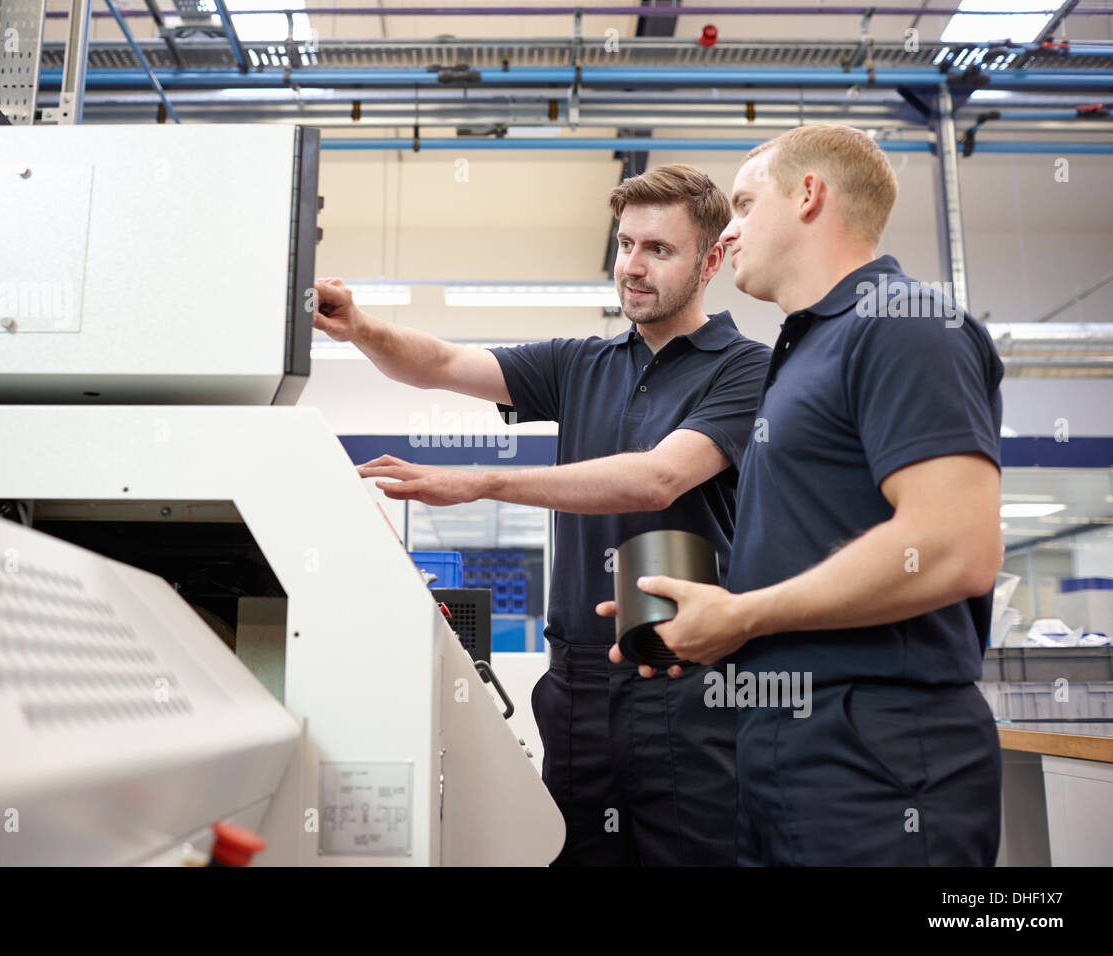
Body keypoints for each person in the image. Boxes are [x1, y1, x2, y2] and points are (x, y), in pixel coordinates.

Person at [313, 164, 770, 865]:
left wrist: (482, 481)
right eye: (625, 245)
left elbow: (658, 479)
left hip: (684, 682)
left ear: (711, 261)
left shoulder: (744, 368)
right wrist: (361, 328)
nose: (633, 267)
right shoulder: (578, 363)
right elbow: (440, 364)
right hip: (578, 684)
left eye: (659, 250)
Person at [601, 124, 1005, 865]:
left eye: (747, 205)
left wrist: (746, 614)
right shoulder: (800, 355)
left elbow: (954, 546)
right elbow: (820, 546)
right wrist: (710, 617)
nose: (731, 229)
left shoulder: (904, 326)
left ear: (810, 196)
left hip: (877, 758)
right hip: (777, 744)